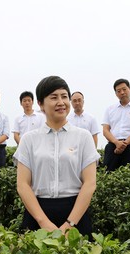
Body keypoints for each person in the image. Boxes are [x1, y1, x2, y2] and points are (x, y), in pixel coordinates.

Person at [14, 76, 100, 237]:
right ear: (40, 104)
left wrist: (69, 224)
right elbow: (23, 185)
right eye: (54, 97)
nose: (61, 102)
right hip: (37, 213)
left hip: (76, 214)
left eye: (64, 96)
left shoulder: (84, 137)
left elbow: (89, 183)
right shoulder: (29, 139)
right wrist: (43, 223)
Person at [102, 79, 130, 171]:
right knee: (107, 173)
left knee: (129, 175)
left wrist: (124, 144)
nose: (122, 92)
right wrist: (116, 142)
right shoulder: (110, 109)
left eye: (124, 89)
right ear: (116, 93)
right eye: (118, 91)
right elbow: (105, 130)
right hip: (112, 146)